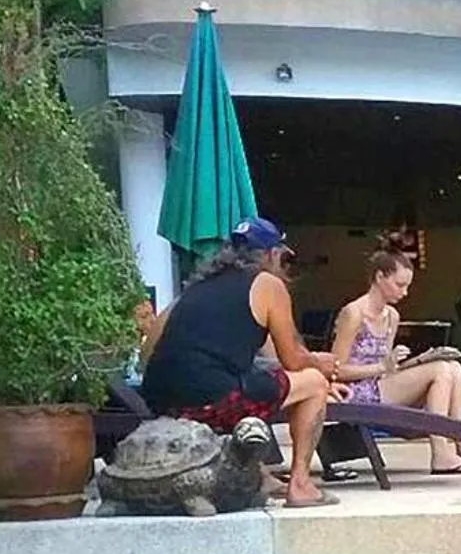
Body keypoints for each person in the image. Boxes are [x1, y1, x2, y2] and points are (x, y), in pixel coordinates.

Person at [139, 217, 343, 509]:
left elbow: (147, 353)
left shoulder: (195, 288)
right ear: (273, 254)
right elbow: (293, 361)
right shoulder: (268, 285)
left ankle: (259, 477)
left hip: (161, 400)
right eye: (283, 258)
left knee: (248, 382)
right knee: (313, 385)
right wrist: (318, 363)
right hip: (210, 399)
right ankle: (301, 485)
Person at [331, 248, 461, 475]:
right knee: (440, 371)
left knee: (452, 367)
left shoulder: (392, 316)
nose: (405, 292)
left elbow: (389, 371)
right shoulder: (354, 313)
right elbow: (335, 370)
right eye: (399, 285)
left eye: (407, 286)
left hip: (380, 385)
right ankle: (440, 454)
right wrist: (380, 367)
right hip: (355, 391)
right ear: (379, 277)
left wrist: (422, 359)